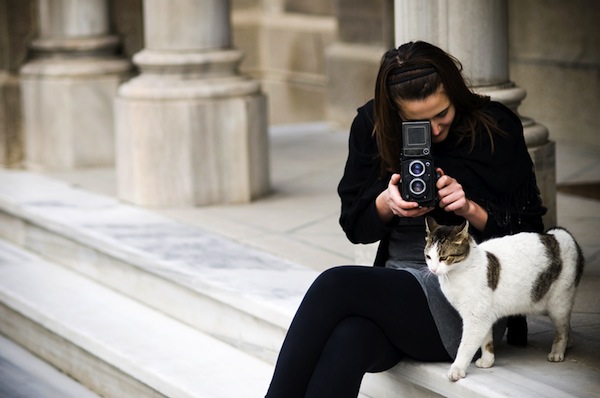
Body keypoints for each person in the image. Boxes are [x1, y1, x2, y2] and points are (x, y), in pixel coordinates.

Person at [265, 41, 546, 397]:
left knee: (335, 285)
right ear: (395, 114)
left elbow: (532, 238)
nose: (435, 130)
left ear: (455, 93)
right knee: (350, 337)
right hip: (397, 290)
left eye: (442, 114)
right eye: (418, 122)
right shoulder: (373, 126)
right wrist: (386, 204)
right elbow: (354, 226)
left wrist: (469, 209)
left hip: (468, 300)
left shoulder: (494, 127)